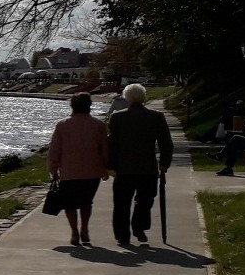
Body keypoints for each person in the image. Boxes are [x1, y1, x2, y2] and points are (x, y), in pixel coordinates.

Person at [107, 83, 174, 246]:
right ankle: (139, 226)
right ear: (143, 97)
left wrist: (110, 165)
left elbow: (112, 144)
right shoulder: (156, 116)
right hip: (147, 167)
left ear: (126, 98)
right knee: (145, 201)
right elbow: (166, 142)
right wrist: (164, 163)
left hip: (124, 168)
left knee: (122, 204)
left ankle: (123, 236)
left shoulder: (116, 117)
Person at [48, 92, 109, 246]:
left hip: (69, 171)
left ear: (72, 106)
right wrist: (106, 167)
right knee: (86, 202)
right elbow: (104, 149)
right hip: (92, 170)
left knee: (70, 204)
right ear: (89, 105)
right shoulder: (99, 125)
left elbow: (55, 150)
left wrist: (53, 169)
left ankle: (74, 232)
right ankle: (85, 229)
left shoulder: (62, 125)